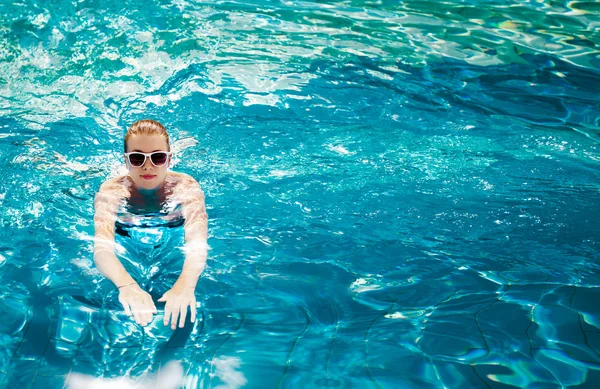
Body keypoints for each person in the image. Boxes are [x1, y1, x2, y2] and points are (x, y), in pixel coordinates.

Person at [92, 119, 208, 330]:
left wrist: (185, 285)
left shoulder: (186, 188)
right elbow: (102, 249)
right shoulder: (111, 191)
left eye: (158, 157)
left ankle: (183, 144)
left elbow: (198, 243)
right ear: (126, 161)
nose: (148, 165)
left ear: (169, 159)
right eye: (137, 158)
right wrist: (127, 285)